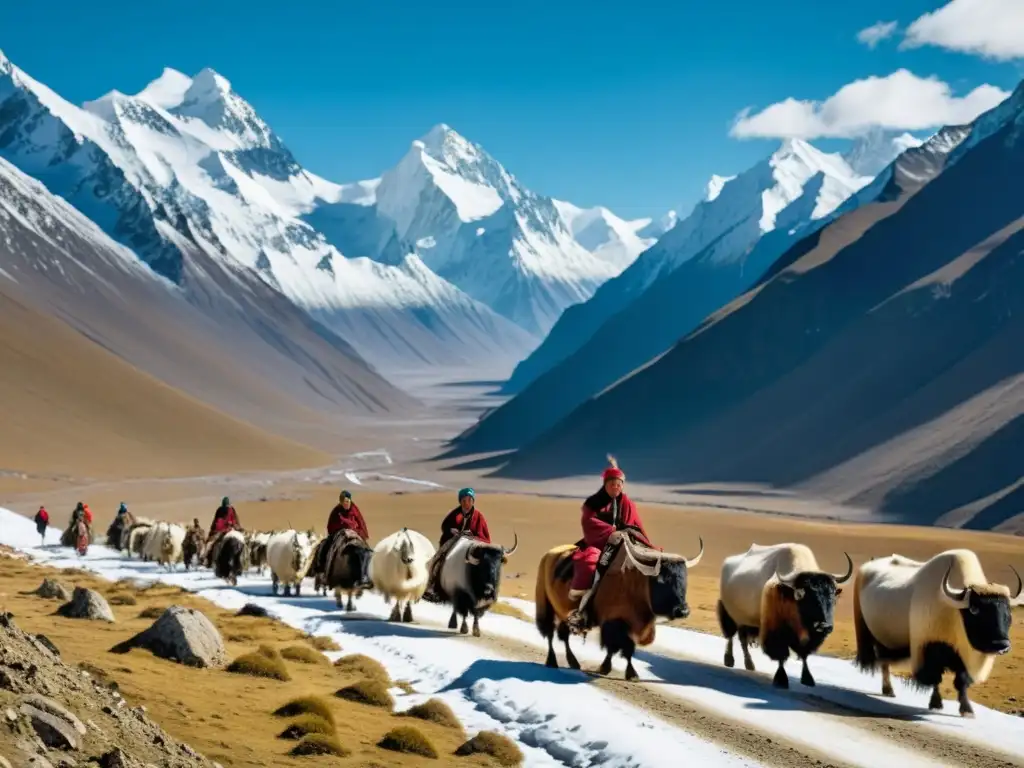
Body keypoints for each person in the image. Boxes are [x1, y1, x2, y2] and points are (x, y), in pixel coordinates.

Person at [565, 456, 653, 634]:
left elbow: (637, 525)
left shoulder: (628, 504)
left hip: (626, 542)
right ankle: (581, 611)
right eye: (612, 483)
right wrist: (611, 530)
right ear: (605, 484)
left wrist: (645, 544)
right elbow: (589, 523)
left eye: (619, 484)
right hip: (600, 542)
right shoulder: (593, 503)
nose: (616, 487)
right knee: (590, 564)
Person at [421, 488, 491, 603]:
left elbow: (485, 537)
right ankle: (431, 586)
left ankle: (486, 588)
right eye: (464, 501)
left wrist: (472, 537)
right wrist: (451, 530)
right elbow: (445, 526)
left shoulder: (479, 516)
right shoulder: (455, 514)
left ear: (473, 501)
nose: (467, 503)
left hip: (473, 544)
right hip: (454, 541)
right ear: (460, 501)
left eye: (469, 500)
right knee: (438, 557)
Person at [313, 490, 369, 575]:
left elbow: (361, 524)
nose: (346, 504)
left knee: (365, 551)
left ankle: (366, 573)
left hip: (355, 533)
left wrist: (356, 532)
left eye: (347, 501)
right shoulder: (336, 511)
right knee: (324, 546)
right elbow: (330, 526)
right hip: (339, 534)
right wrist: (342, 530)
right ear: (341, 502)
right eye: (344, 502)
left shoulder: (355, 510)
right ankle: (322, 570)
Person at [203, 496, 242, 568]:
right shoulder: (231, 509)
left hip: (221, 530)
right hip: (231, 528)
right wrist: (237, 527)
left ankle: (208, 559)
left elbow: (216, 521)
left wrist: (212, 530)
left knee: (210, 544)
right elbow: (235, 520)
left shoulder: (220, 510)